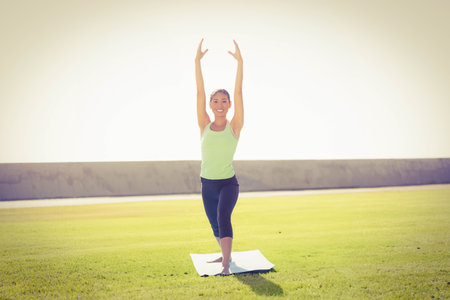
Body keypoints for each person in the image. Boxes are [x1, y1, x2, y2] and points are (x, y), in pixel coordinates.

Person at [195, 38, 244, 275]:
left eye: (224, 101)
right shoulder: (204, 124)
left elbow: (238, 91)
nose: (220, 104)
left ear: (229, 105)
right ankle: (225, 255)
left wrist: (240, 63)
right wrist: (197, 62)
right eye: (216, 101)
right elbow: (200, 93)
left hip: (227, 183)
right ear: (212, 105)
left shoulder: (234, 126)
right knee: (214, 223)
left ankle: (226, 264)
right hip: (207, 183)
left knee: (223, 217)